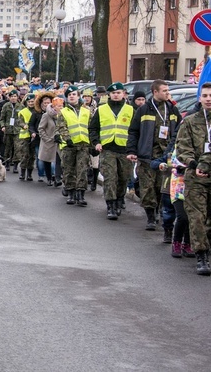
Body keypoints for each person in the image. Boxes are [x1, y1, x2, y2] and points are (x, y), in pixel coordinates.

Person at [127, 80, 181, 231]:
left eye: (168, 90)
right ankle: (151, 216)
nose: (167, 93)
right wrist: (131, 151)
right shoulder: (144, 109)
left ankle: (159, 211)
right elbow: (133, 131)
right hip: (147, 156)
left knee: (161, 188)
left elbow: (179, 130)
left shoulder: (172, 109)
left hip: (165, 157)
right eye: (164, 90)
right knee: (147, 188)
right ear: (155, 92)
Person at [174, 82, 211, 275]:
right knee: (196, 217)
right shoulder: (190, 121)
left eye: (210, 95)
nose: (208, 99)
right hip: (196, 178)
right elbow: (182, 147)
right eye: (205, 95)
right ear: (199, 98)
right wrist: (193, 163)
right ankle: (201, 255)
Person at [89, 83, 134, 220]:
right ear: (109, 94)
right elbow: (93, 128)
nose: (116, 95)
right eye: (113, 93)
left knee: (123, 177)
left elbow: (135, 131)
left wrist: (134, 148)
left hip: (125, 149)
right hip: (107, 148)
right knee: (110, 177)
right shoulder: (102, 110)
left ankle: (120, 199)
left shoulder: (130, 110)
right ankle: (111, 205)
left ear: (123, 94)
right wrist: (96, 142)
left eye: (118, 92)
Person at [57, 86, 91, 206]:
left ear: (78, 96)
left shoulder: (86, 111)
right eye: (69, 94)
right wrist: (67, 139)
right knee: (69, 169)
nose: (72, 96)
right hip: (69, 146)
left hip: (83, 145)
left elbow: (91, 127)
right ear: (66, 97)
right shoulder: (63, 112)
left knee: (82, 170)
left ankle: (80, 194)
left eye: (74, 94)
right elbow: (61, 127)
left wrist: (92, 143)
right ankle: (70, 193)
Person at [37, 92, 58, 186]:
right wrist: (47, 139)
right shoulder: (46, 115)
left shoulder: (63, 115)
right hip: (49, 142)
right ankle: (49, 178)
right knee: (48, 161)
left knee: (57, 161)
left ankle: (56, 178)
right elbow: (41, 128)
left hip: (60, 142)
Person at [0, 90, 20, 170]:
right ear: (9, 97)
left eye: (15, 96)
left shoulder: (21, 106)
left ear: (17, 97)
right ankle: (7, 162)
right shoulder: (6, 106)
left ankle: (15, 165)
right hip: (8, 130)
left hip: (17, 130)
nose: (13, 98)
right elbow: (2, 118)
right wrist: (3, 126)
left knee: (17, 148)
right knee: (7, 147)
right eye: (11, 96)